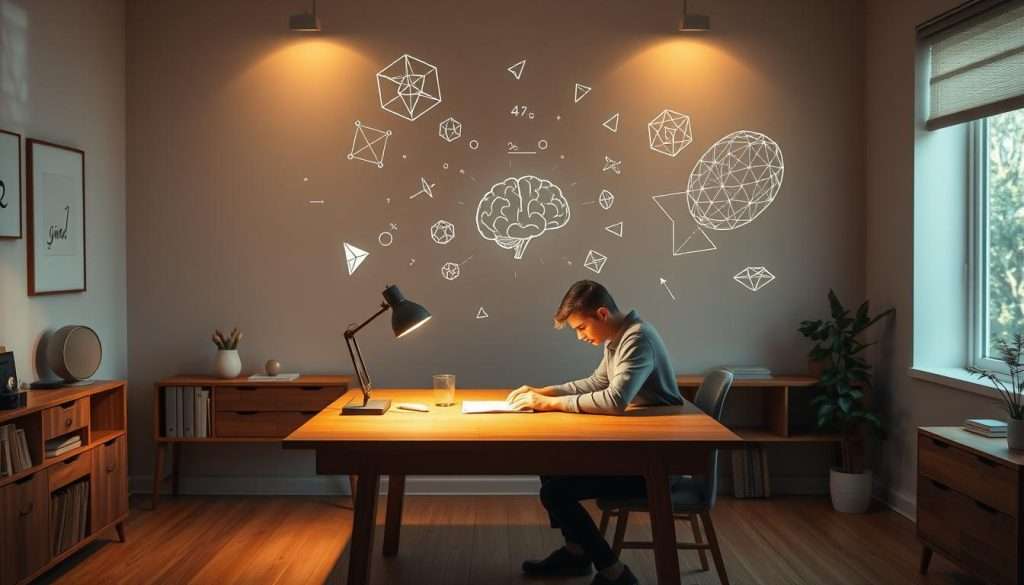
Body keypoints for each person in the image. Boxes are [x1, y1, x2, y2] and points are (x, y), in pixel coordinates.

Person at [506, 280, 683, 585]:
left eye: (581, 328)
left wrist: (550, 404)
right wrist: (546, 391)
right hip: (638, 450)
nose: (580, 336)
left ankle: (615, 574)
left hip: (656, 464)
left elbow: (615, 400)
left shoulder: (638, 339)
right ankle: (576, 553)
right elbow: (596, 383)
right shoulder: (618, 337)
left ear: (602, 314)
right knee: (548, 466)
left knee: (554, 491)